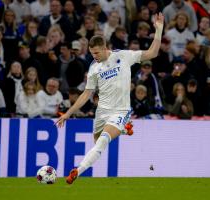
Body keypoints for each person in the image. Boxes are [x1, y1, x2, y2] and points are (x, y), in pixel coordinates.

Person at [56, 12, 164, 184]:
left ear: (105, 47)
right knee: (98, 142)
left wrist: (158, 30)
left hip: (120, 110)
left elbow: (153, 52)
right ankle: (123, 128)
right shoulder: (93, 68)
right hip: (102, 112)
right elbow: (86, 94)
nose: (94, 56)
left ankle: (77, 170)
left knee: (102, 142)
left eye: (97, 53)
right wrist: (68, 114)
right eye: (92, 53)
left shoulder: (123, 56)